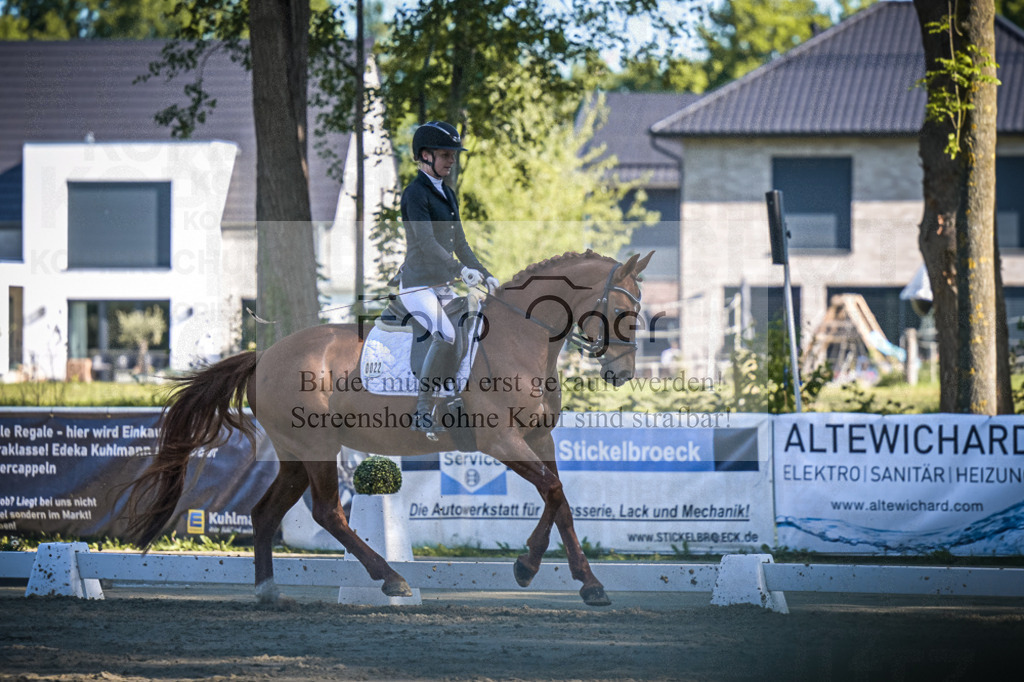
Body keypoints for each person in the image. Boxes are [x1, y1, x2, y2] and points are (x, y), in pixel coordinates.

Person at [399, 121, 498, 435]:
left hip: (442, 286)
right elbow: (427, 243)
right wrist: (459, 271)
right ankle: (423, 410)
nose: (452, 160)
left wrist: (485, 273)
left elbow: (461, 244)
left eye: (453, 154)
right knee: (446, 333)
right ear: (425, 156)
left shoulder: (448, 194)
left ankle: (455, 396)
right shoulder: (415, 194)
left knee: (470, 325)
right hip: (417, 285)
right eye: (445, 154)